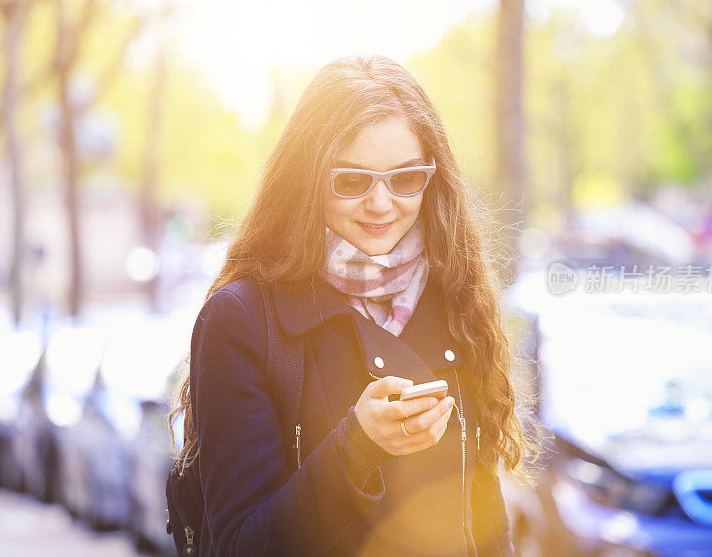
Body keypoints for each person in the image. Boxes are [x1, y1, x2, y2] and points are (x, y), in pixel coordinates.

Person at [170, 54, 535, 556]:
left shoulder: (456, 297)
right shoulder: (242, 320)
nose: (382, 204)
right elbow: (240, 545)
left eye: (406, 179)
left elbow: (487, 526)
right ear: (307, 179)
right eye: (351, 181)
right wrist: (357, 445)